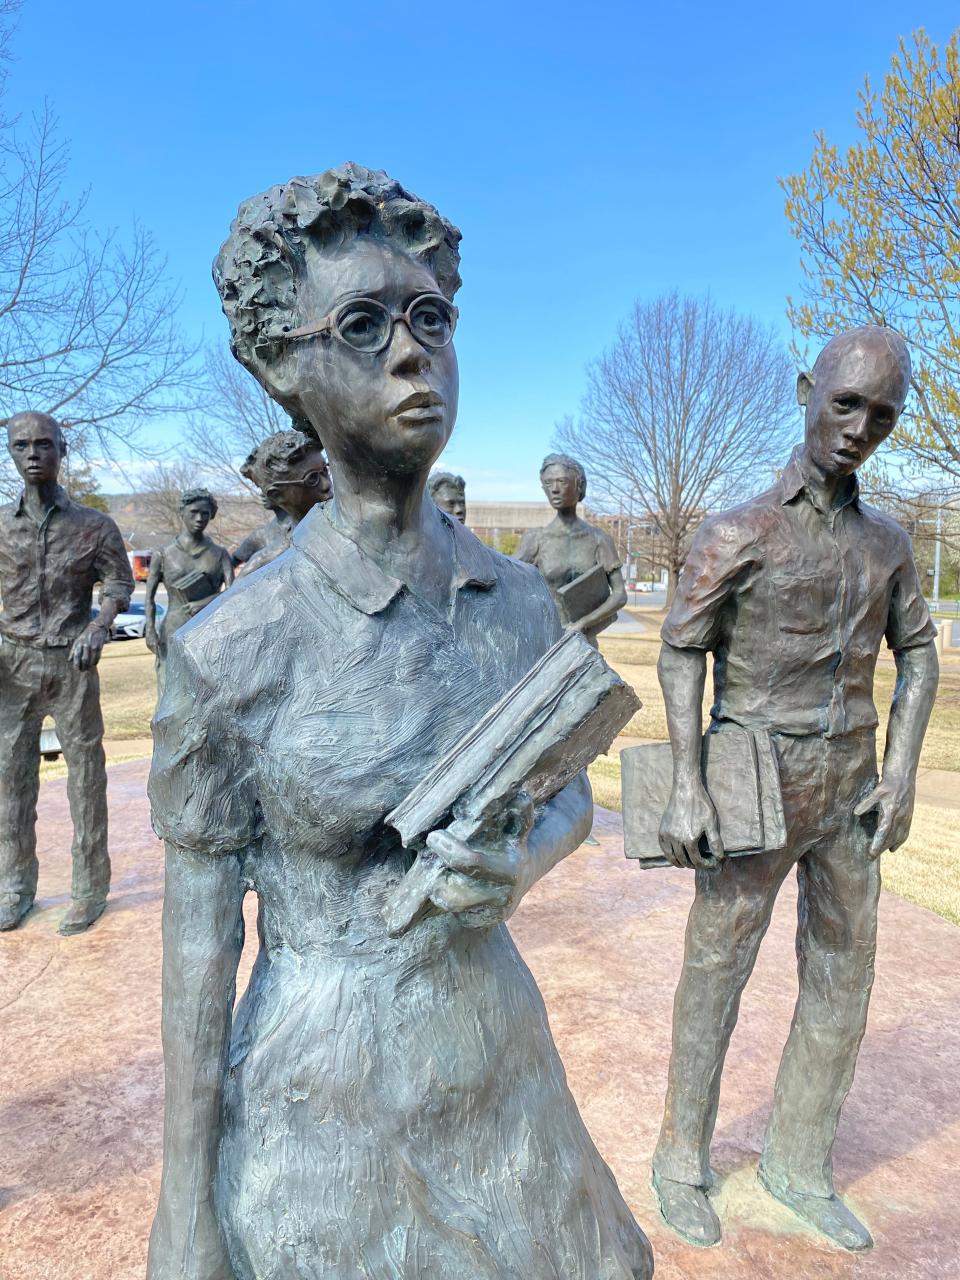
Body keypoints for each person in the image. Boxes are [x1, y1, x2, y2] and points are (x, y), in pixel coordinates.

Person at [146, 164, 652, 1280]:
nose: (413, 352)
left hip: (501, 1071)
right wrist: (182, 1213)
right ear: (285, 367)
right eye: (364, 324)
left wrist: (520, 860)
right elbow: (197, 941)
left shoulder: (519, 599)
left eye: (431, 318)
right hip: (321, 1102)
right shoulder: (233, 646)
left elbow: (566, 784)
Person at [651, 327, 939, 1252]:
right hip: (755, 769)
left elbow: (921, 652)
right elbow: (680, 647)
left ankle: (799, 1164)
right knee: (717, 971)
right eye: (846, 403)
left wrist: (899, 774)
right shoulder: (740, 530)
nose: (860, 427)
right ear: (807, 389)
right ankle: (681, 1160)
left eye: (883, 415)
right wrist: (687, 781)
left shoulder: (889, 543)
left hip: (851, 785)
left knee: (843, 975)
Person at [0, 411, 134, 934]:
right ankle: (13, 888)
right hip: (12, 665)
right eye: (20, 446)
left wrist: (100, 625)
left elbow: (118, 585)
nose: (32, 454)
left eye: (43, 444)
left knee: (85, 778)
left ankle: (89, 888)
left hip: (73, 661)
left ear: (62, 450)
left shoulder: (94, 525)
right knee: (11, 782)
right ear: (10, 454)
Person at [518, 453, 626, 644]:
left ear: (579, 485)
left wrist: (583, 624)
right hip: (544, 641)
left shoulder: (599, 539)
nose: (555, 490)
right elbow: (507, 582)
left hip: (584, 642)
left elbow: (619, 595)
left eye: (562, 481)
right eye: (548, 483)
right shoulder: (535, 539)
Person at [144, 488, 234, 693]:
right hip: (173, 629)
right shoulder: (163, 553)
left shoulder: (220, 554)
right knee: (172, 692)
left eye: (206, 513)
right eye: (194, 512)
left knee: (210, 692)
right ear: (182, 512)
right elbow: (148, 597)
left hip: (210, 631)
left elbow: (233, 594)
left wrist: (203, 603)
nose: (200, 518)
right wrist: (149, 630)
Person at [233, 429, 331, 575]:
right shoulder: (265, 565)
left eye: (325, 470)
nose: (327, 485)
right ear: (277, 495)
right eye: (312, 479)